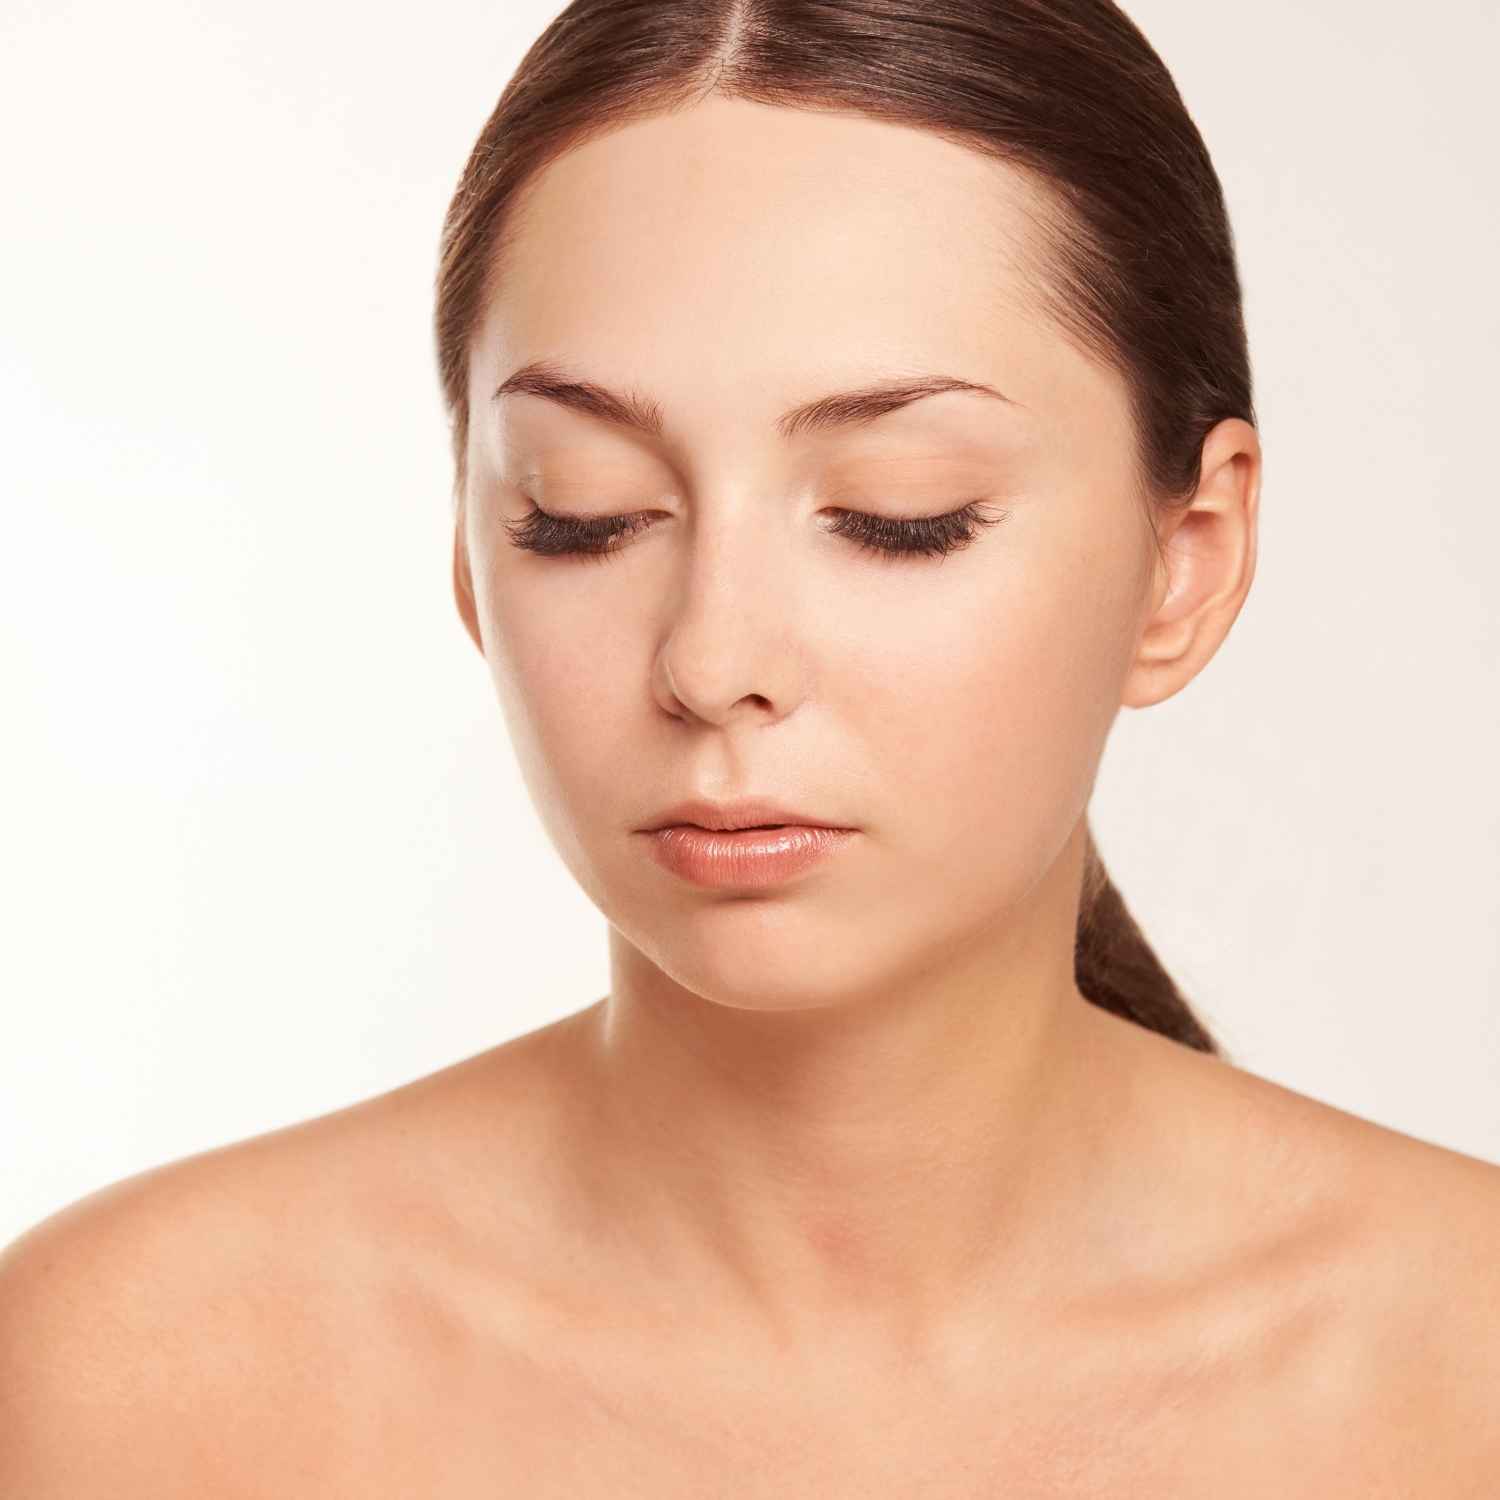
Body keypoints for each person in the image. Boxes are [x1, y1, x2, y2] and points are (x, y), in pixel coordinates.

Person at [4, 1, 1498, 1491]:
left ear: (1187, 557)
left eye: (898, 515)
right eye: (581, 515)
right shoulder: (132, 1382)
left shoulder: (1460, 1364)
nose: (713, 662)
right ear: (473, 556)